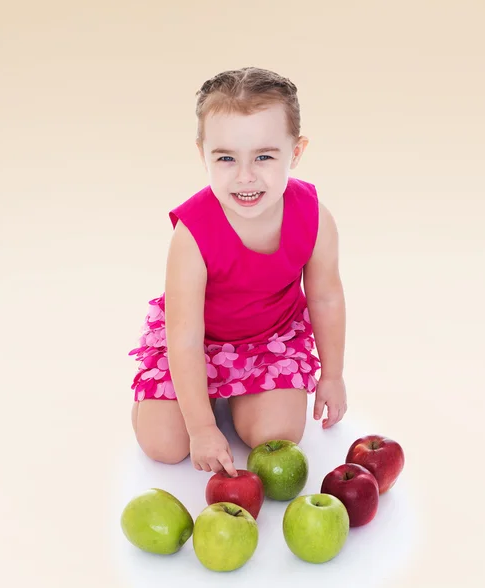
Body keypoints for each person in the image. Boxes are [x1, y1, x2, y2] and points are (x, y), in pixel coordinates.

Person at [129, 66, 347, 478]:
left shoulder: (314, 218)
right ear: (203, 154)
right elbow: (185, 336)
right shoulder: (192, 234)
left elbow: (325, 297)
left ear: (296, 152)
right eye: (226, 158)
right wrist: (201, 427)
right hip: (197, 341)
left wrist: (332, 376)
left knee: (277, 434)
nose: (246, 176)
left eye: (264, 156)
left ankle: (238, 396)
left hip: (270, 340)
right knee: (164, 445)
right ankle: (196, 398)